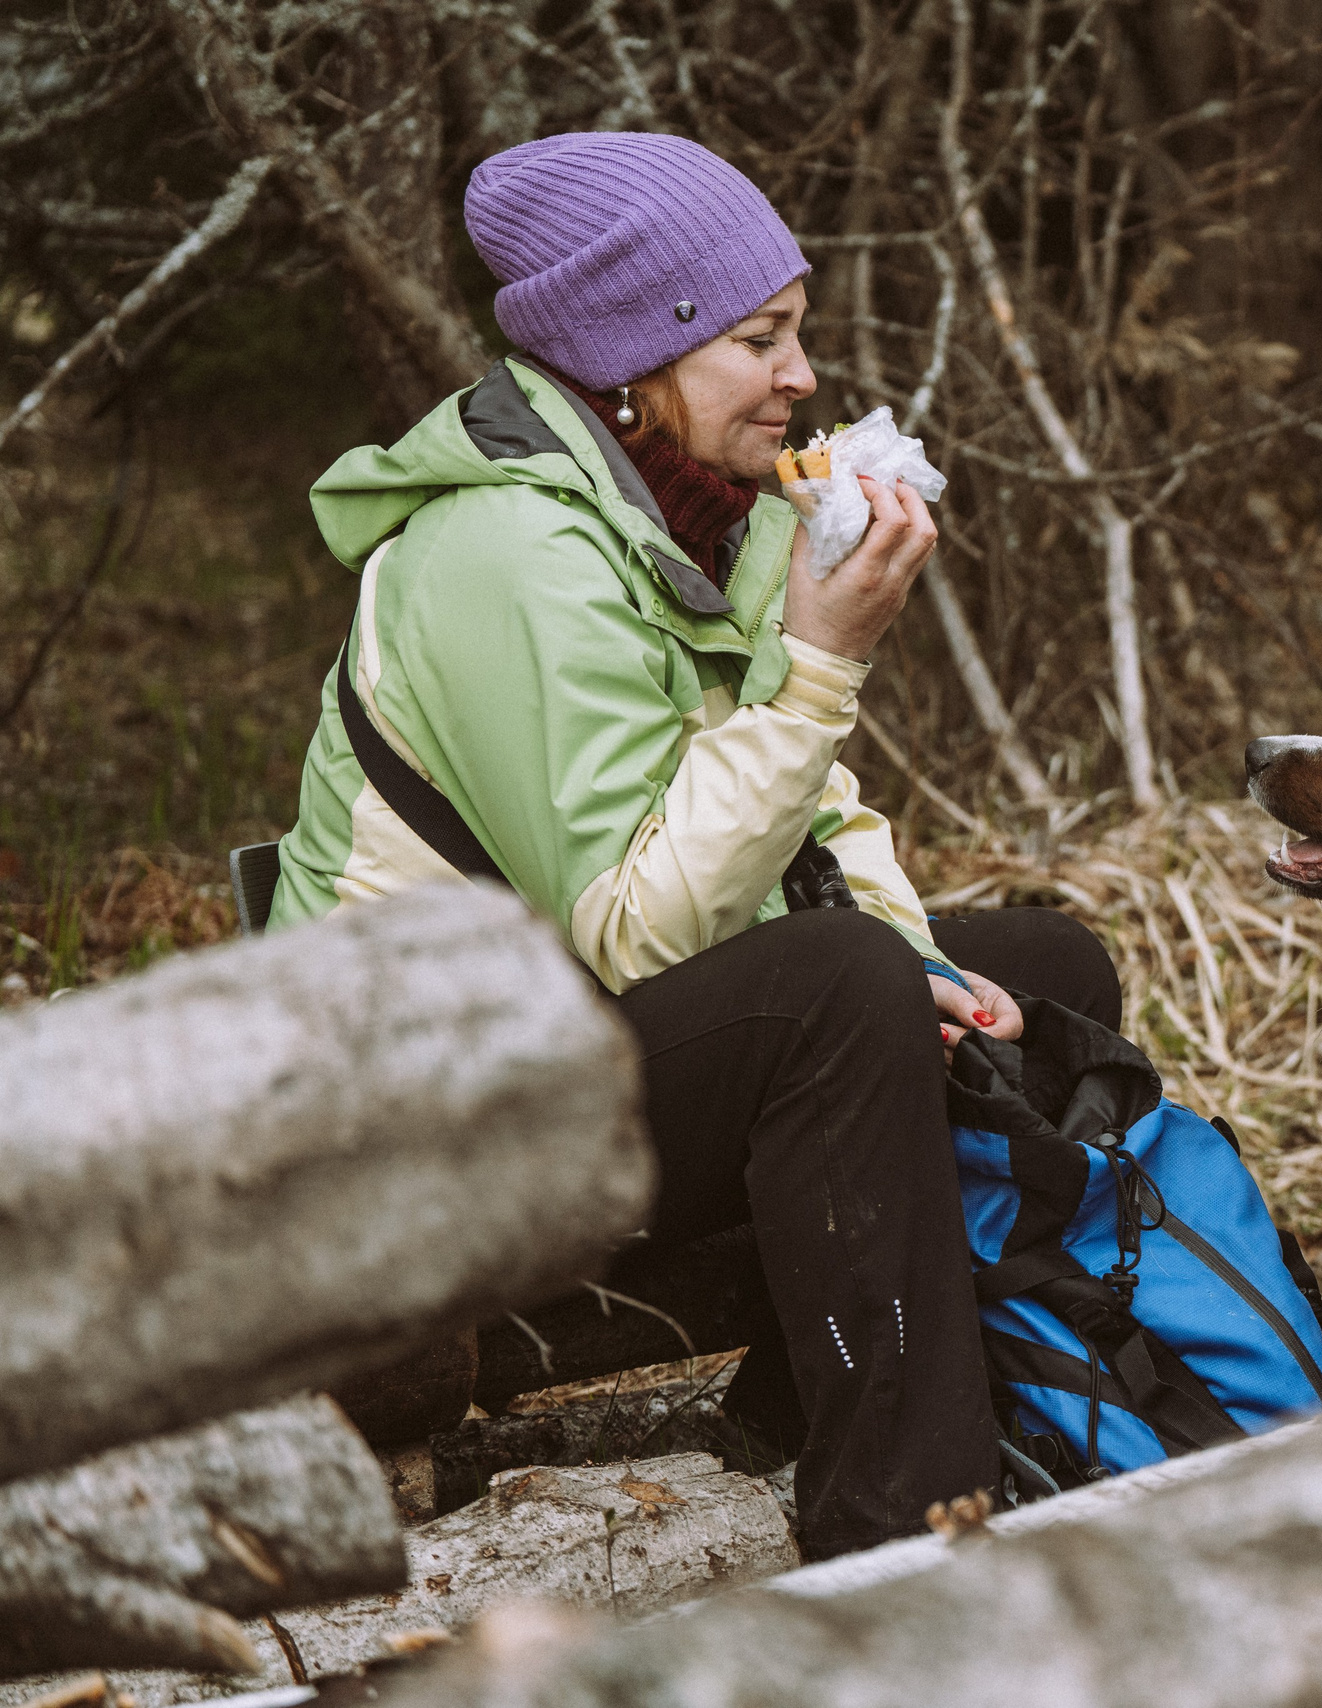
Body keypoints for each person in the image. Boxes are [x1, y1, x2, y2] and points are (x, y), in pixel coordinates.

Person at [270, 131, 1118, 1557]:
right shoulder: (510, 554)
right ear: (629, 362)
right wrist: (822, 666)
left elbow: (809, 819)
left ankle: (817, 1428)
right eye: (760, 340)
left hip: (549, 1062)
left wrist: (932, 968)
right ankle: (900, 1541)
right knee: (836, 991)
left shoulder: (684, 518)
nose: (801, 376)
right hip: (403, 1140)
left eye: (798, 335)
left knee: (1042, 967)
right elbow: (630, 927)